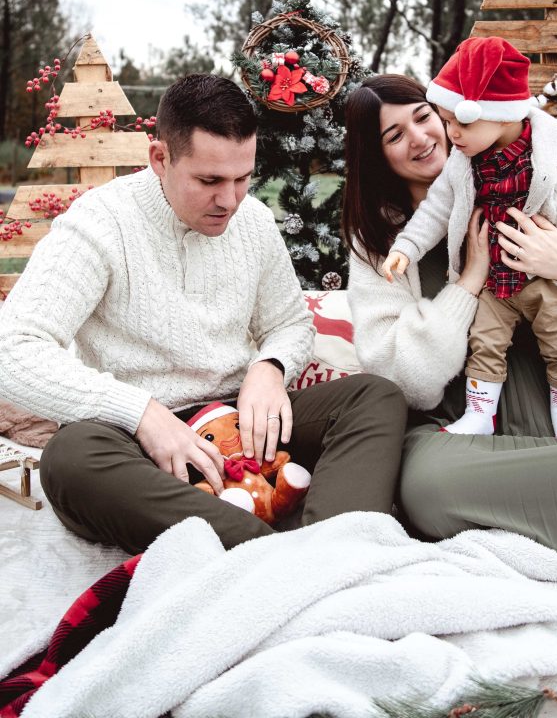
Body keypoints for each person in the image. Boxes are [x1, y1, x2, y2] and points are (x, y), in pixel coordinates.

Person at [0, 74, 407, 555]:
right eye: (210, 181)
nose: (230, 200)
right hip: (136, 445)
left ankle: (323, 549)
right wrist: (141, 414)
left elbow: (289, 323)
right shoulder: (100, 222)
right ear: (160, 159)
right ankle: (292, 557)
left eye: (243, 178)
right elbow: (13, 351)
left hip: (245, 424)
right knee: (69, 460)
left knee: (375, 396)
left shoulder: (253, 222)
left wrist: (270, 367)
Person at [342, 72, 557, 555]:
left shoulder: (533, 178)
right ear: (376, 158)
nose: (419, 137)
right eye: (394, 135)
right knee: (428, 487)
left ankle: (528, 510)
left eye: (423, 117)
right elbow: (404, 377)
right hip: (458, 435)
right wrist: (468, 283)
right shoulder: (381, 246)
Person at [381, 37, 557, 438]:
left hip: (548, 278)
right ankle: (480, 414)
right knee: (485, 341)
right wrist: (407, 247)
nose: (452, 133)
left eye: (461, 123)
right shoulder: (462, 162)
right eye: (447, 120)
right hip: (496, 279)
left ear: (503, 115)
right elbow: (436, 208)